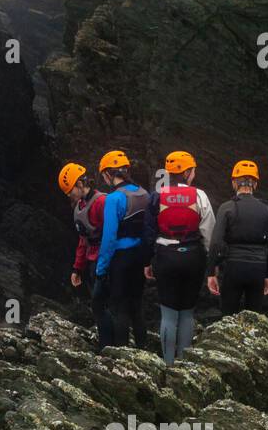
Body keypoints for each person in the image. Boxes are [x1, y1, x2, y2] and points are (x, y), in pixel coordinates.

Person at [143, 151, 215, 364]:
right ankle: (183, 362)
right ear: (187, 173)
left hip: (165, 257)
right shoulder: (200, 195)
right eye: (192, 170)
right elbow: (209, 233)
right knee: (187, 312)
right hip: (193, 257)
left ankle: (168, 364)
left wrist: (147, 261)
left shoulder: (156, 196)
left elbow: (148, 232)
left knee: (168, 314)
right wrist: (212, 264)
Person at [94, 151, 151, 350]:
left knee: (120, 307)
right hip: (141, 256)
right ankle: (143, 350)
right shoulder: (145, 193)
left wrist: (101, 271)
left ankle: (122, 354)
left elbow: (109, 239)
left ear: (109, 174)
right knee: (137, 305)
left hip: (121, 259)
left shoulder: (114, 199)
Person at [207, 160, 268, 315]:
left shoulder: (227, 207)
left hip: (234, 267)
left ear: (234, 183)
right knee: (254, 319)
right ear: (255, 184)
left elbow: (216, 243)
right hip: (258, 269)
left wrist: (211, 272)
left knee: (227, 316)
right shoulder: (266, 210)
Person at [58, 163, 111, 344]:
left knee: (101, 304)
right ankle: (108, 345)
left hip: (106, 262)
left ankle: (110, 346)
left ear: (80, 184)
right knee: (99, 305)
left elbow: (112, 234)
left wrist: (106, 264)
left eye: (70, 190)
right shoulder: (80, 207)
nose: (68, 195)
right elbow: (83, 240)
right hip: (92, 262)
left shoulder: (102, 202)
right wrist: (77, 268)